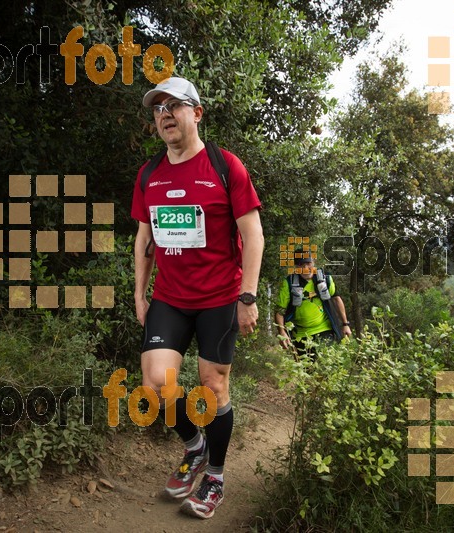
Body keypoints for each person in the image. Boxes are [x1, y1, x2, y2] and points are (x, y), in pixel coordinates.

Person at [131, 76, 264, 519]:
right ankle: (194, 446)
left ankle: (216, 476)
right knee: (156, 384)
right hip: (169, 297)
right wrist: (139, 293)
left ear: (197, 113)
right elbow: (144, 239)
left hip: (219, 298)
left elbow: (253, 233)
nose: (165, 114)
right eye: (157, 108)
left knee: (213, 386)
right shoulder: (150, 174)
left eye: (174, 105)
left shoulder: (225, 166)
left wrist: (248, 295)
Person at [274, 252, 352, 356]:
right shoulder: (289, 283)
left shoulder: (325, 278)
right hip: (300, 335)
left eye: (308, 263)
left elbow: (336, 299)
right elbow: (280, 311)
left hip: (325, 330)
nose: (306, 268)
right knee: (306, 370)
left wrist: (345, 324)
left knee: (325, 365)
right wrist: (282, 332)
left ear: (314, 262)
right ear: (296, 267)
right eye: (301, 265)